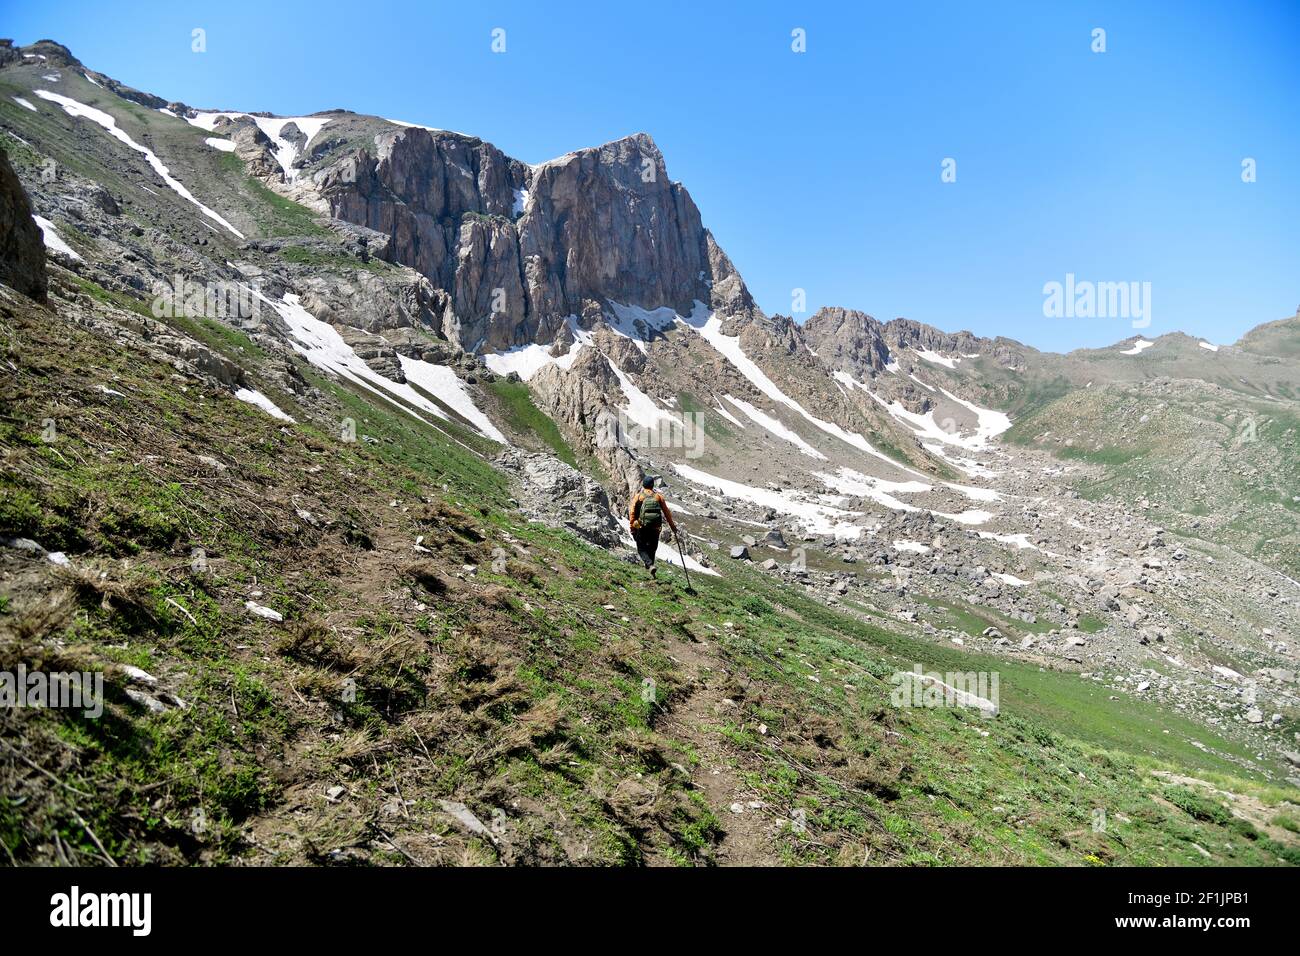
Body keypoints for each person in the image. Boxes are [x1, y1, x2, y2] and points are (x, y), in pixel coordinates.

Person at [629, 476, 677, 578]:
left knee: (641, 548)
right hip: (655, 528)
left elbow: (632, 513)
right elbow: (667, 513)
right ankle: (652, 569)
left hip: (642, 527)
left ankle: (650, 565)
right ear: (652, 485)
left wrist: (632, 528)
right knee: (652, 548)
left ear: (643, 485)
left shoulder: (638, 497)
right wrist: (673, 527)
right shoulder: (658, 497)